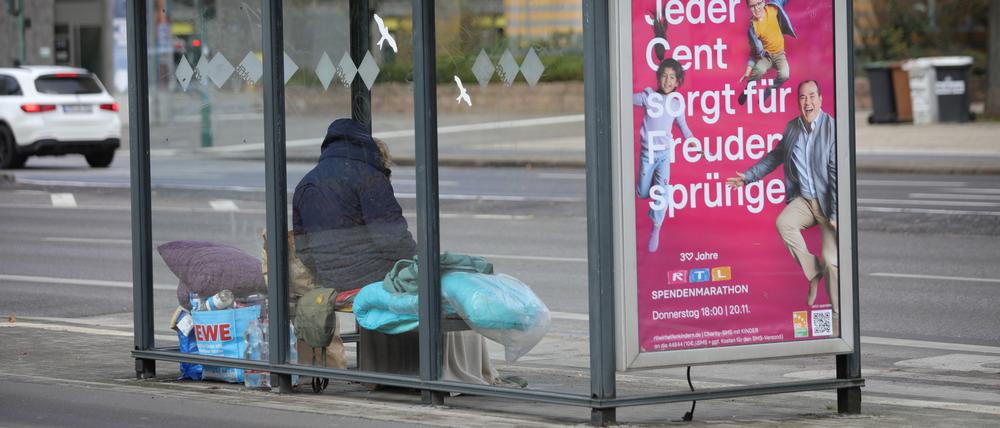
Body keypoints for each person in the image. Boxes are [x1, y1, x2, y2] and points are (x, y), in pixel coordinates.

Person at [293, 118, 502, 385]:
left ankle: (387, 368)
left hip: (332, 279)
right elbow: (391, 238)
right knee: (450, 284)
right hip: (372, 274)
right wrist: (419, 262)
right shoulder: (367, 176)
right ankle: (449, 372)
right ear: (363, 144)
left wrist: (328, 271)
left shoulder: (305, 183)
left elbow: (304, 247)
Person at [725, 80, 838, 314]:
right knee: (784, 223)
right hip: (805, 200)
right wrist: (748, 177)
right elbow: (775, 156)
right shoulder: (792, 128)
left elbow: (836, 173)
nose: (807, 102)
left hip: (828, 204)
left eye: (812, 96)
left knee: (831, 261)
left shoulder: (832, 129)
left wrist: (836, 213)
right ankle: (813, 272)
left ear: (820, 99)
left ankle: (838, 313)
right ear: (798, 102)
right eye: (803, 97)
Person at [634, 58, 698, 252]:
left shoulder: (676, 104)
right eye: (664, 76)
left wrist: (692, 141)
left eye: (672, 78)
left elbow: (683, 125)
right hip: (648, 153)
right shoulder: (649, 97)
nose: (667, 81)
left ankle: (656, 227)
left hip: (664, 154)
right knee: (642, 193)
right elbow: (624, 97)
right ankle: (651, 186)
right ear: (658, 77)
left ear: (677, 82)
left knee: (663, 193)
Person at [738, 0, 796, 106]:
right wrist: (748, 71)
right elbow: (753, 51)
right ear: (748, 8)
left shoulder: (773, 9)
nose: (756, 8)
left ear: (764, 2)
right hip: (766, 56)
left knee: (785, 75)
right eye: (752, 6)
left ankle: (768, 92)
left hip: (779, 54)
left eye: (759, 4)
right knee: (759, 70)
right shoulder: (753, 28)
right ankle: (748, 90)